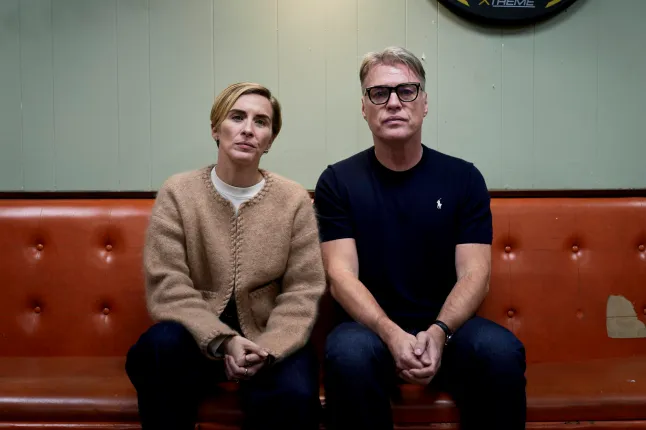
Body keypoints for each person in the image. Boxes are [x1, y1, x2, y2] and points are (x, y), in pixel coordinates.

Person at [315, 47, 526, 429]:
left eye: (406, 91)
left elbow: (475, 274)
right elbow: (341, 276)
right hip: (370, 331)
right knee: (347, 354)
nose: (394, 102)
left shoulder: (464, 179)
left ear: (424, 103)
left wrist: (439, 332)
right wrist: (391, 334)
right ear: (364, 107)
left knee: (501, 351)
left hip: (448, 330)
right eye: (379, 93)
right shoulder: (337, 182)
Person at [125, 82, 326, 430]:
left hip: (268, 338)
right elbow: (168, 284)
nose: (248, 129)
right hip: (194, 338)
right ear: (216, 129)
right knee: (158, 349)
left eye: (261, 122)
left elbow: (303, 289)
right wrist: (223, 341)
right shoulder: (178, 193)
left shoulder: (293, 200)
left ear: (270, 139)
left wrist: (268, 348)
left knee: (296, 393)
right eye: (237, 117)